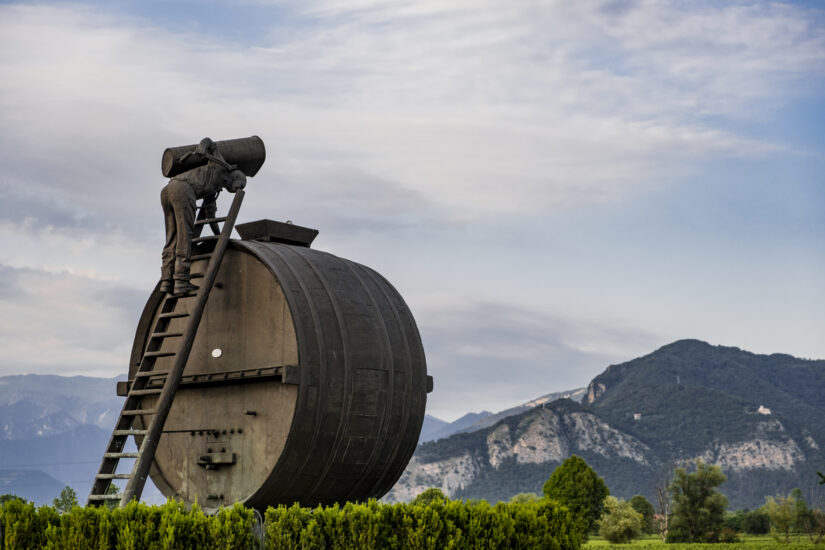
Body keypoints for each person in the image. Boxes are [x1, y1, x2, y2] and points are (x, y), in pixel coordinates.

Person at [160, 137, 246, 296]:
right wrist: (203, 147)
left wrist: (219, 235)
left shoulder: (214, 189)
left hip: (167, 190)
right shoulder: (220, 166)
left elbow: (210, 215)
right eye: (240, 186)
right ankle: (181, 280)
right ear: (235, 177)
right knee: (185, 235)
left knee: (172, 237)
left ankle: (166, 280)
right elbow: (210, 142)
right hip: (182, 190)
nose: (238, 190)